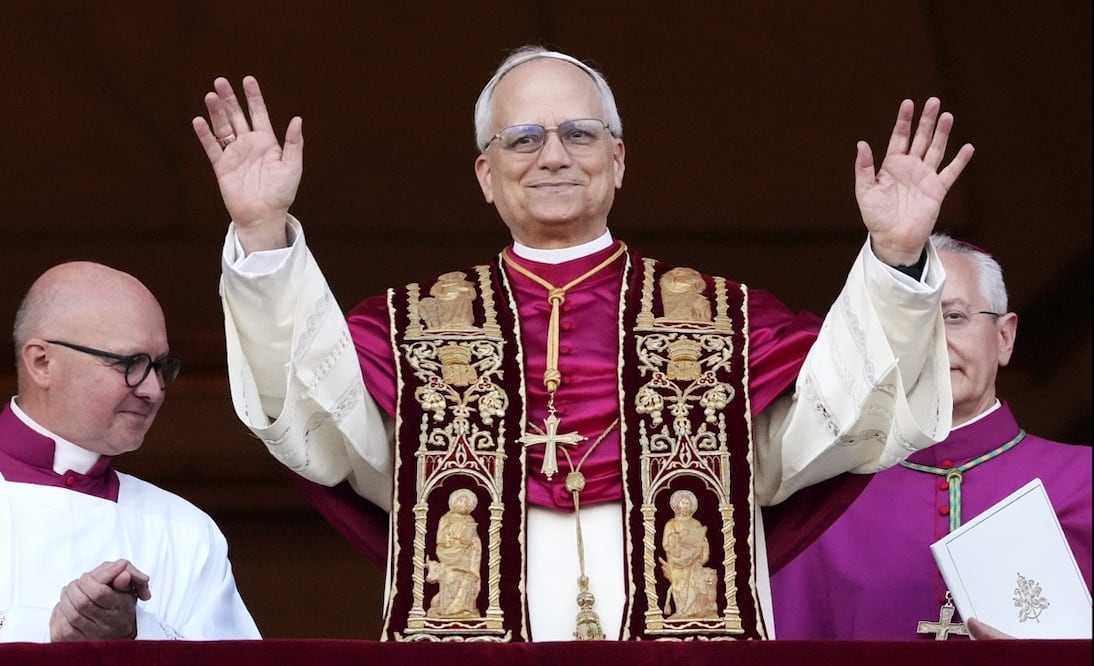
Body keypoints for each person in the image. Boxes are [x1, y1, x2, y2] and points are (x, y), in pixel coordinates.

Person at [192, 45, 973, 641]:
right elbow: (318, 424)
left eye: (580, 133)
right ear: (484, 173)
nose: (554, 155)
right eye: (523, 138)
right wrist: (262, 235)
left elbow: (834, 424)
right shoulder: (415, 329)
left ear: (619, 159)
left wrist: (897, 259)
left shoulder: (721, 321)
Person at [766, 233, 1093, 640]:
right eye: (915, 321)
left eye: (954, 317)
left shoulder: (1085, 481)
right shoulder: (821, 499)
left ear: (1004, 337)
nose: (935, 340)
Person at [0, 261, 260, 642]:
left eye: (159, 367)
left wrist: (136, 635)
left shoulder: (185, 531)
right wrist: (46, 630)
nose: (153, 390)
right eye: (130, 364)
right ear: (42, 362)